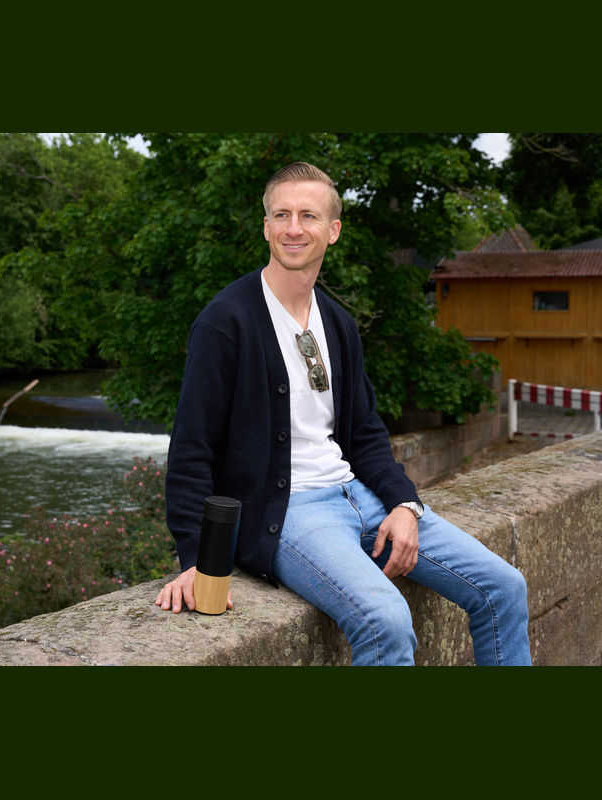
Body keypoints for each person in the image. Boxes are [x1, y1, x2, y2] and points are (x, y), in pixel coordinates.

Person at [155, 161, 532, 666]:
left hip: (359, 496)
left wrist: (404, 505)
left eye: (308, 216)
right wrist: (196, 559)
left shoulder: (338, 323)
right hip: (291, 515)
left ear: (332, 230)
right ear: (265, 227)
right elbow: (191, 449)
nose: (293, 228)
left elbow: (365, 432)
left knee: (504, 587)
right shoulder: (226, 322)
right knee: (386, 621)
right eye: (281, 215)